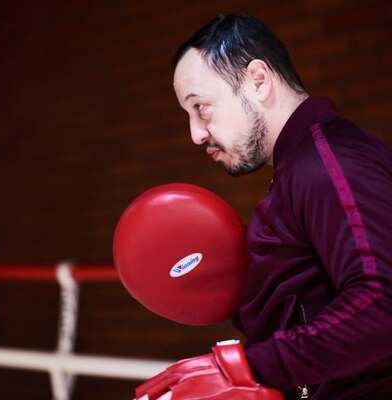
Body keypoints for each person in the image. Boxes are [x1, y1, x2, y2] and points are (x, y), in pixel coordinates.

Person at [141, 14, 392, 400]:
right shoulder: (300, 170)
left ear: (258, 80)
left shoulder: (327, 165)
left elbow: (383, 302)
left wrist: (245, 369)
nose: (196, 134)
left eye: (201, 107)